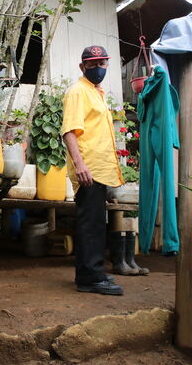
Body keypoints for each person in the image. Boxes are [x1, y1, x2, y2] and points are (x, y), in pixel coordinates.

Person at [61, 45, 124, 295]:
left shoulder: (96, 92)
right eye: (92, 64)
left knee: (97, 222)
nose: (98, 68)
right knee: (90, 223)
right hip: (88, 168)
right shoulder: (78, 91)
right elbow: (69, 130)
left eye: (102, 63)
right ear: (82, 66)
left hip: (99, 168)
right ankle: (89, 279)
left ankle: (94, 273)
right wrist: (80, 164)